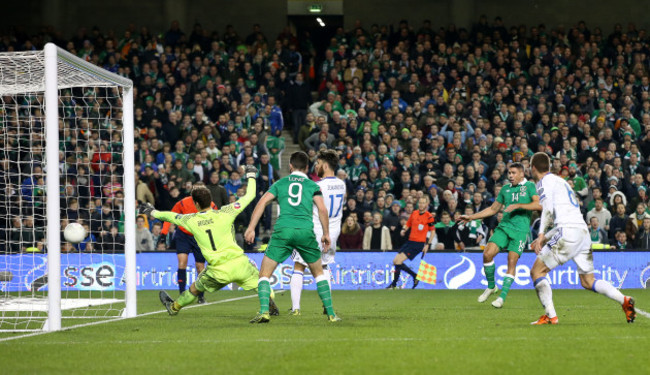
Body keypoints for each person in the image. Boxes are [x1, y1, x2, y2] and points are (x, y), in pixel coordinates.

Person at [142, 166, 279, 317]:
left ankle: (174, 307)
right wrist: (252, 174)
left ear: (196, 204)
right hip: (239, 263)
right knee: (260, 283)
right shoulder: (226, 212)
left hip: (217, 270)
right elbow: (250, 195)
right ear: (211, 200)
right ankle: (268, 303)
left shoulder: (191, 220)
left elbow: (170, 216)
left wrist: (152, 211)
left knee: (194, 288)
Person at [529, 152, 635, 325]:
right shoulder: (561, 182)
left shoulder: (543, 183)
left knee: (536, 272)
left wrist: (541, 235)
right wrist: (547, 236)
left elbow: (546, 210)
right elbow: (566, 216)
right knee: (588, 281)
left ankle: (551, 316)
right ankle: (624, 300)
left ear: (533, 168)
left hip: (568, 232)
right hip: (582, 233)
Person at [244, 151, 340, 323]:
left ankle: (264, 311)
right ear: (306, 168)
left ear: (290, 166)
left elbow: (262, 202)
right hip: (305, 232)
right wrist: (326, 233)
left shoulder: (280, 183)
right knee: (319, 273)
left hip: (283, 231)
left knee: (264, 274)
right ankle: (331, 314)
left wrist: (251, 228)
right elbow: (322, 209)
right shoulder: (312, 185)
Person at [459, 162, 540, 308]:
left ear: (522, 174)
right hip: (504, 227)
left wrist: (519, 205)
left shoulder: (530, 186)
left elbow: (538, 205)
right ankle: (491, 286)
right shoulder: (505, 189)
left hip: (520, 231)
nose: (510, 175)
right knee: (487, 254)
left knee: (511, 261)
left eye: (514, 173)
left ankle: (502, 297)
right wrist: (472, 217)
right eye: (509, 173)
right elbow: (492, 209)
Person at [288, 150, 346, 315]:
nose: (316, 167)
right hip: (332, 234)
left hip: (315, 232)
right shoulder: (342, 184)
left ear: (325, 165)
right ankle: (327, 306)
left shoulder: (317, 186)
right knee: (325, 266)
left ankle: (296, 308)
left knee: (299, 266)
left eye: (318, 164)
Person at [160, 181, 217, 303]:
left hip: (200, 237)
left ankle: (201, 296)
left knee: (200, 267)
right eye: (196, 188)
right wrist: (164, 233)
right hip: (183, 235)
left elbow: (217, 219)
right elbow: (170, 215)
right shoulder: (183, 202)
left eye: (200, 188)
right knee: (182, 263)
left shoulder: (210, 204)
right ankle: (182, 295)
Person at [387, 196, 435, 289]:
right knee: (395, 261)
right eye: (420, 202)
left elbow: (432, 231)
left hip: (418, 244)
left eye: (423, 203)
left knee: (399, 261)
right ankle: (415, 276)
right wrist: (404, 229)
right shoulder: (414, 213)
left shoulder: (429, 216)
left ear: (426, 204)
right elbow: (408, 223)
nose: (421, 204)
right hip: (410, 241)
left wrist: (427, 244)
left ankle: (394, 284)